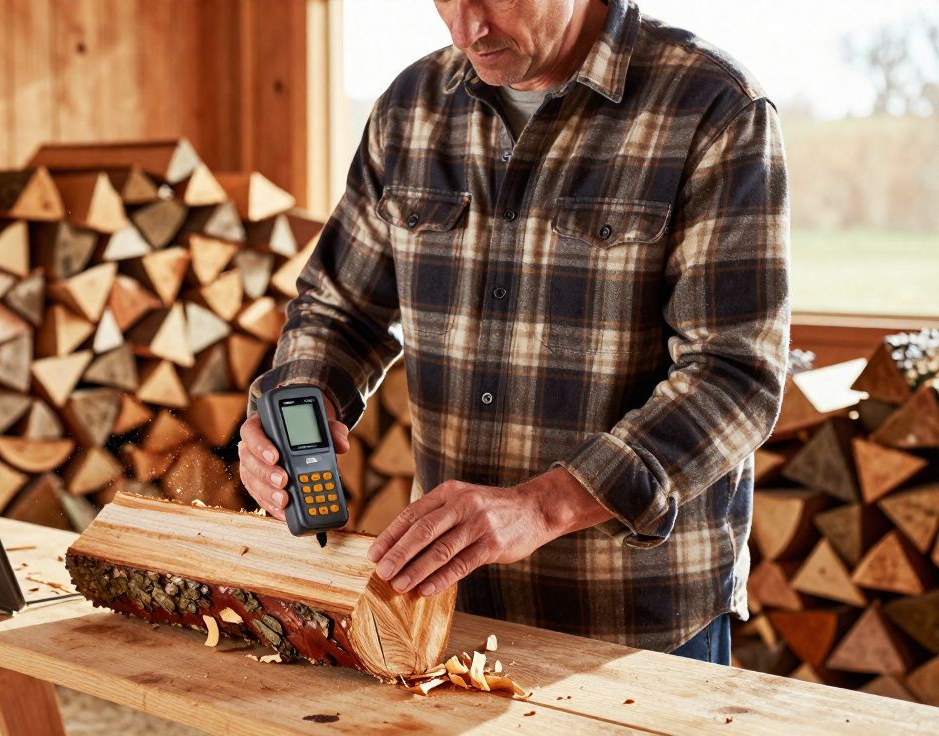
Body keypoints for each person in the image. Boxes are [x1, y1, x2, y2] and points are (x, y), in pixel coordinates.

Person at [236, 0, 790, 665]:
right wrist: (298, 402)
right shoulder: (410, 109)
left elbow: (734, 378)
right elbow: (337, 311)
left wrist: (542, 508)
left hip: (637, 625)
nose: (468, 29)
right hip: (451, 604)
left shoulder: (714, 107)